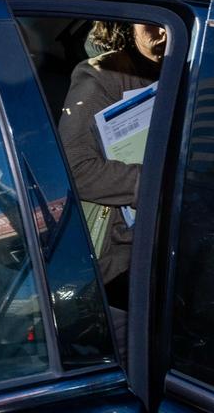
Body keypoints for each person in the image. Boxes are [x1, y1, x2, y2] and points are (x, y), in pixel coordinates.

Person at [58, 21, 164, 306]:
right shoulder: (103, 76)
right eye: (153, 24)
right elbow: (75, 166)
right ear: (128, 23)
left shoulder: (199, 64)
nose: (163, 32)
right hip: (126, 257)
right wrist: (157, 185)